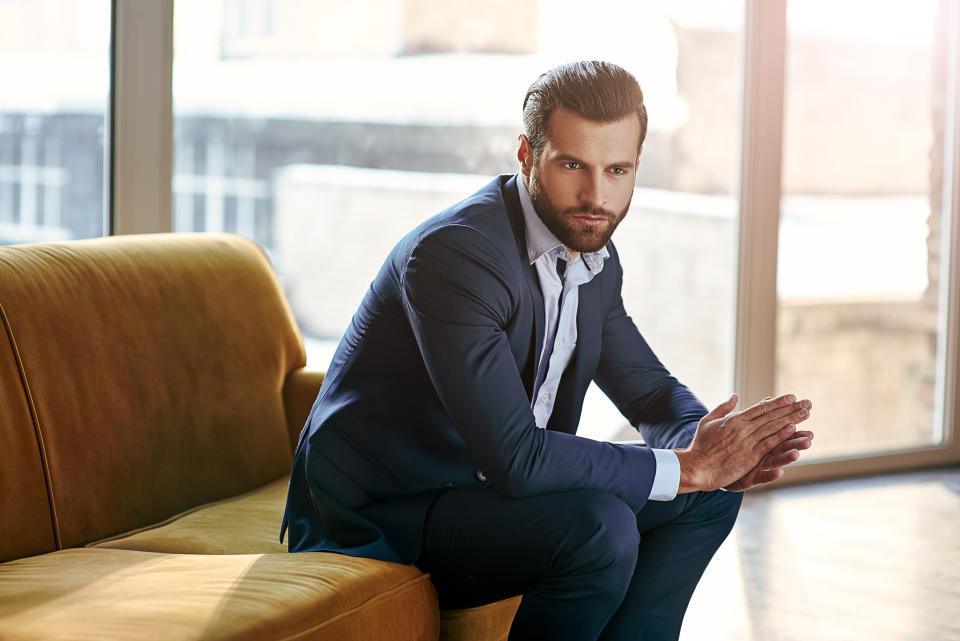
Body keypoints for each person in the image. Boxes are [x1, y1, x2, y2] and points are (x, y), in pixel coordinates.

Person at [281, 60, 814, 641]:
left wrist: (714, 448)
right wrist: (690, 465)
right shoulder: (457, 255)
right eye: (571, 165)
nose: (596, 195)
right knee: (599, 526)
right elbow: (516, 457)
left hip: (489, 495)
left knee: (708, 499)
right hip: (391, 507)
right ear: (525, 155)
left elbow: (651, 391)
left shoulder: (590, 258)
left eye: (617, 170)